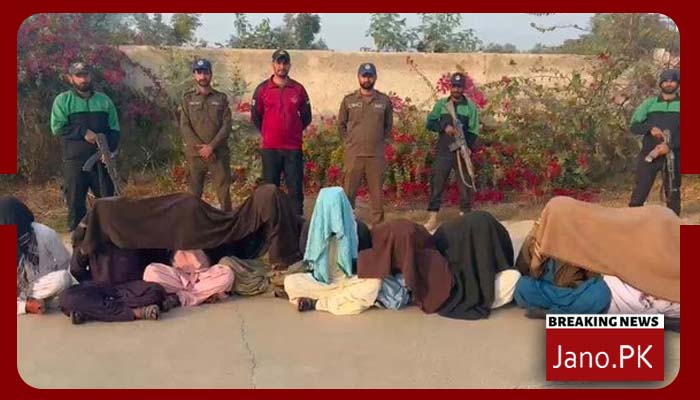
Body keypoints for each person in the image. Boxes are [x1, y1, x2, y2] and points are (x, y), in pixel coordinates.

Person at [50, 61, 120, 232]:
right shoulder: (63, 100)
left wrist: (109, 151)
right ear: (70, 78)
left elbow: (114, 129)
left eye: (86, 75)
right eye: (78, 76)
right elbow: (57, 127)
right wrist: (83, 132)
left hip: (102, 162)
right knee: (75, 205)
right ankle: (78, 241)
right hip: (75, 161)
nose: (83, 79)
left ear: (91, 76)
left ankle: (108, 240)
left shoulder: (104, 101)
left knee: (107, 203)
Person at [251, 49, 312, 216]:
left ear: (289, 65)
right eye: (278, 62)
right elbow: (256, 116)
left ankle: (296, 222)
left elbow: (306, 116)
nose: (282, 66)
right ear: (273, 64)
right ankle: (270, 221)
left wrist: (293, 131)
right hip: (270, 148)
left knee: (295, 189)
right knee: (270, 189)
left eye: (285, 63)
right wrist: (268, 132)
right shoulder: (262, 89)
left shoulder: (298, 89)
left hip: (293, 148)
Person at [338, 63, 393, 226]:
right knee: (348, 193)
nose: (367, 79)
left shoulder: (384, 101)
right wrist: (349, 142)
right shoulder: (349, 100)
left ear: (375, 77)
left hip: (375, 155)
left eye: (370, 76)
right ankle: (346, 226)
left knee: (377, 196)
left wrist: (379, 142)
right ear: (358, 77)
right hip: (354, 155)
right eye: (364, 76)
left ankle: (378, 228)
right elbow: (341, 125)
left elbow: (388, 126)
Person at [423, 73, 480, 232]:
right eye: (454, 86)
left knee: (465, 184)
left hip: (461, 150)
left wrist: (468, 147)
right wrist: (444, 127)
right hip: (444, 150)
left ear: (463, 88)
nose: (456, 89)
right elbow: (430, 123)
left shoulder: (470, 107)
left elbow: (474, 130)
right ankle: (432, 217)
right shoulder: (442, 104)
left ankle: (465, 217)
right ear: (450, 87)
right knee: (437, 183)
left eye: (459, 86)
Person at [1, 196, 74, 315]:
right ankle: (28, 305)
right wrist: (25, 306)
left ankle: (37, 301)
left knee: (63, 278)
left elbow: (65, 262)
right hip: (18, 293)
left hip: (40, 285)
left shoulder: (46, 234)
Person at [180, 58, 233, 211]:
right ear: (194, 75)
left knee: (224, 193)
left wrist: (211, 147)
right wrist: (201, 149)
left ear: (211, 74)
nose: (202, 77)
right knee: (193, 195)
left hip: (218, 154)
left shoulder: (221, 98)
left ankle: (228, 221)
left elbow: (226, 125)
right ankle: (194, 222)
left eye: (206, 73)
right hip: (195, 155)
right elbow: (185, 126)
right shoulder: (188, 99)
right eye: (199, 73)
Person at [629, 68, 681, 215]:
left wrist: (669, 146)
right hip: (650, 153)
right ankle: (633, 220)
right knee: (640, 189)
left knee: (673, 192)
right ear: (660, 84)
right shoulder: (649, 104)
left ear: (677, 83)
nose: (669, 84)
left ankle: (673, 223)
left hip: (674, 153)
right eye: (666, 81)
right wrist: (649, 128)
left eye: (672, 81)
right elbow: (634, 126)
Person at [143, 249, 235, 307]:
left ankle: (178, 298)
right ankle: (204, 296)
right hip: (178, 277)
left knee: (227, 274)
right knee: (150, 271)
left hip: (202, 278)